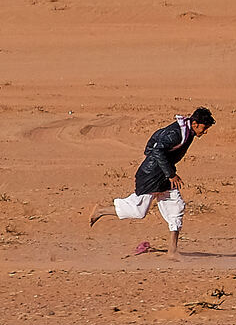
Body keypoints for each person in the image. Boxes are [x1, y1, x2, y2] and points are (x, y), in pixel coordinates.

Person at [91, 107, 213, 256]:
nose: (205, 131)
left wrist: (151, 159)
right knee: (138, 211)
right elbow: (158, 150)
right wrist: (169, 173)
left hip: (162, 174)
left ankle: (172, 251)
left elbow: (156, 136)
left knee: (176, 207)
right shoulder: (177, 133)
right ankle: (101, 210)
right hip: (152, 176)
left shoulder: (186, 131)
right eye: (204, 127)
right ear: (195, 123)